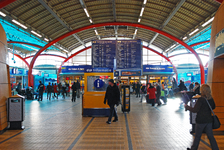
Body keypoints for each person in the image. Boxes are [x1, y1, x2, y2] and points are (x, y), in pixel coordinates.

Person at [185, 84, 219, 150]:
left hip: (200, 121)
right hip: (209, 120)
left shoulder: (201, 99)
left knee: (197, 136)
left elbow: (195, 110)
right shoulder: (210, 99)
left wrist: (187, 107)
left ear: (202, 90)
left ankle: (193, 149)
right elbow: (213, 107)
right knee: (211, 136)